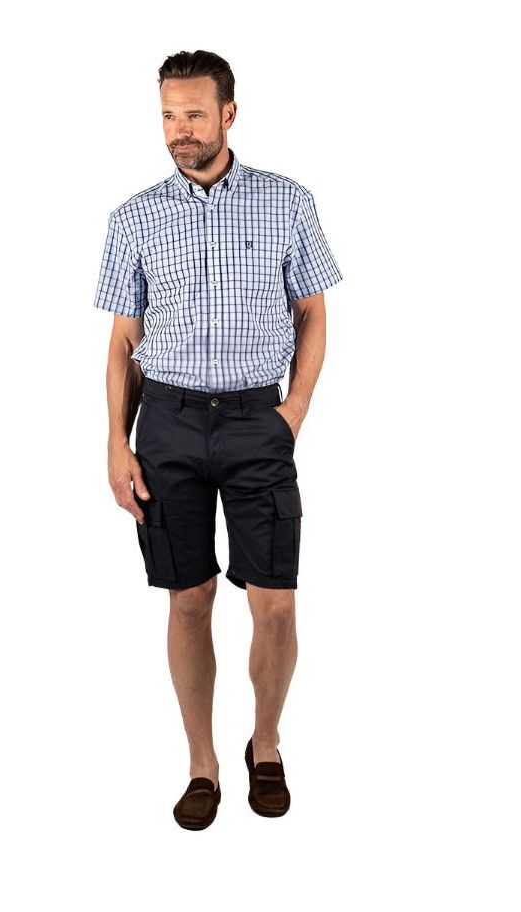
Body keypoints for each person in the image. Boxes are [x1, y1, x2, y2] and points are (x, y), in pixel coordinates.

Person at [93, 49, 342, 830]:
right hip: (165, 424)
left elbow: (312, 311)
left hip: (255, 423)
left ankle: (264, 743)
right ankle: (201, 762)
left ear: (228, 114)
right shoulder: (133, 217)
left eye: (194, 115)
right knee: (189, 597)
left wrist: (292, 412)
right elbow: (122, 339)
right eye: (169, 116)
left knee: (275, 603)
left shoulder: (286, 202)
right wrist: (116, 442)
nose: (180, 130)